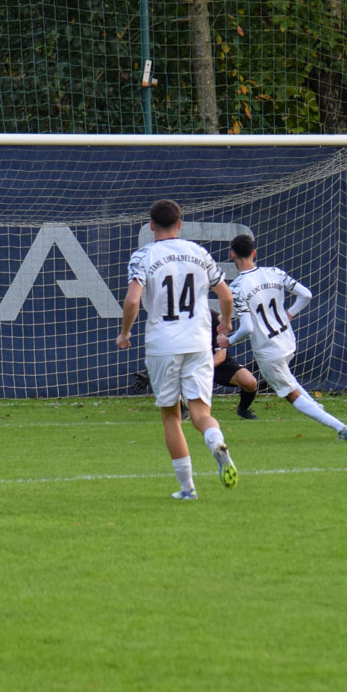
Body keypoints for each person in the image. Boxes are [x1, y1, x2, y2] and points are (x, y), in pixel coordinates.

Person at [117, 199, 238, 500]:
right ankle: (215, 439)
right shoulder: (199, 253)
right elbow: (226, 296)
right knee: (200, 413)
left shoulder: (143, 255)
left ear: (151, 226)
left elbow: (132, 300)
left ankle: (187, 488)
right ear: (180, 224)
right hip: (198, 343)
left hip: (163, 345)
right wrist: (226, 321)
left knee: (171, 416)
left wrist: (125, 333)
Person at [221, 234, 347, 440]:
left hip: (269, 350)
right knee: (288, 378)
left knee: (290, 393)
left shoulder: (237, 288)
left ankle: (341, 428)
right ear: (254, 253)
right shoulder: (274, 272)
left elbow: (247, 328)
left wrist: (228, 341)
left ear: (232, 255)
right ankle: (316, 407)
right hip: (287, 341)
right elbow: (306, 295)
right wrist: (290, 313)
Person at [176, 314, 259, 422]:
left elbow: (220, 356)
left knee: (249, 382)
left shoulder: (213, 319)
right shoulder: (175, 319)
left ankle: (243, 410)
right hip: (187, 361)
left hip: (213, 361)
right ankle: (180, 409)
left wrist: (200, 368)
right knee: (171, 372)